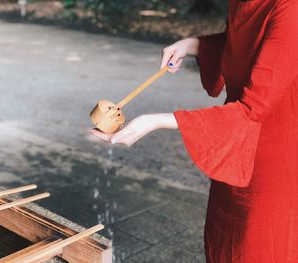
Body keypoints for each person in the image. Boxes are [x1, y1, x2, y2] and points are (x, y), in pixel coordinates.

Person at [91, 0, 298, 262]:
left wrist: (157, 121)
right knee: (223, 238)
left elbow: (253, 108)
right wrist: (192, 44)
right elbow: (247, 45)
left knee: (261, 247)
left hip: (278, 156)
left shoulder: (291, 8)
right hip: (234, 140)